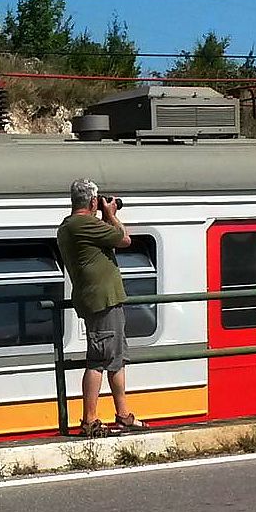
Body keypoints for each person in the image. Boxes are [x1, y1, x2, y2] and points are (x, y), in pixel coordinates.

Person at [56, 178, 150, 437]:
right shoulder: (84, 224)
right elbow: (124, 239)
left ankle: (123, 414)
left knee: (116, 359)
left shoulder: (68, 226)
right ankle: (89, 419)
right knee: (99, 360)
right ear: (93, 201)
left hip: (106, 300)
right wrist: (111, 215)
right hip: (102, 301)